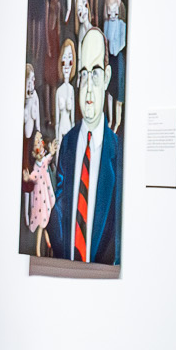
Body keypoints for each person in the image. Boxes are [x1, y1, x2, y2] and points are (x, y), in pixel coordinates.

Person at [49, 27, 120, 264]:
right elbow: (57, 220)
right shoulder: (68, 144)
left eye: (96, 73)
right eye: (84, 74)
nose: (88, 87)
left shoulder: (117, 152)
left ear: (108, 77)